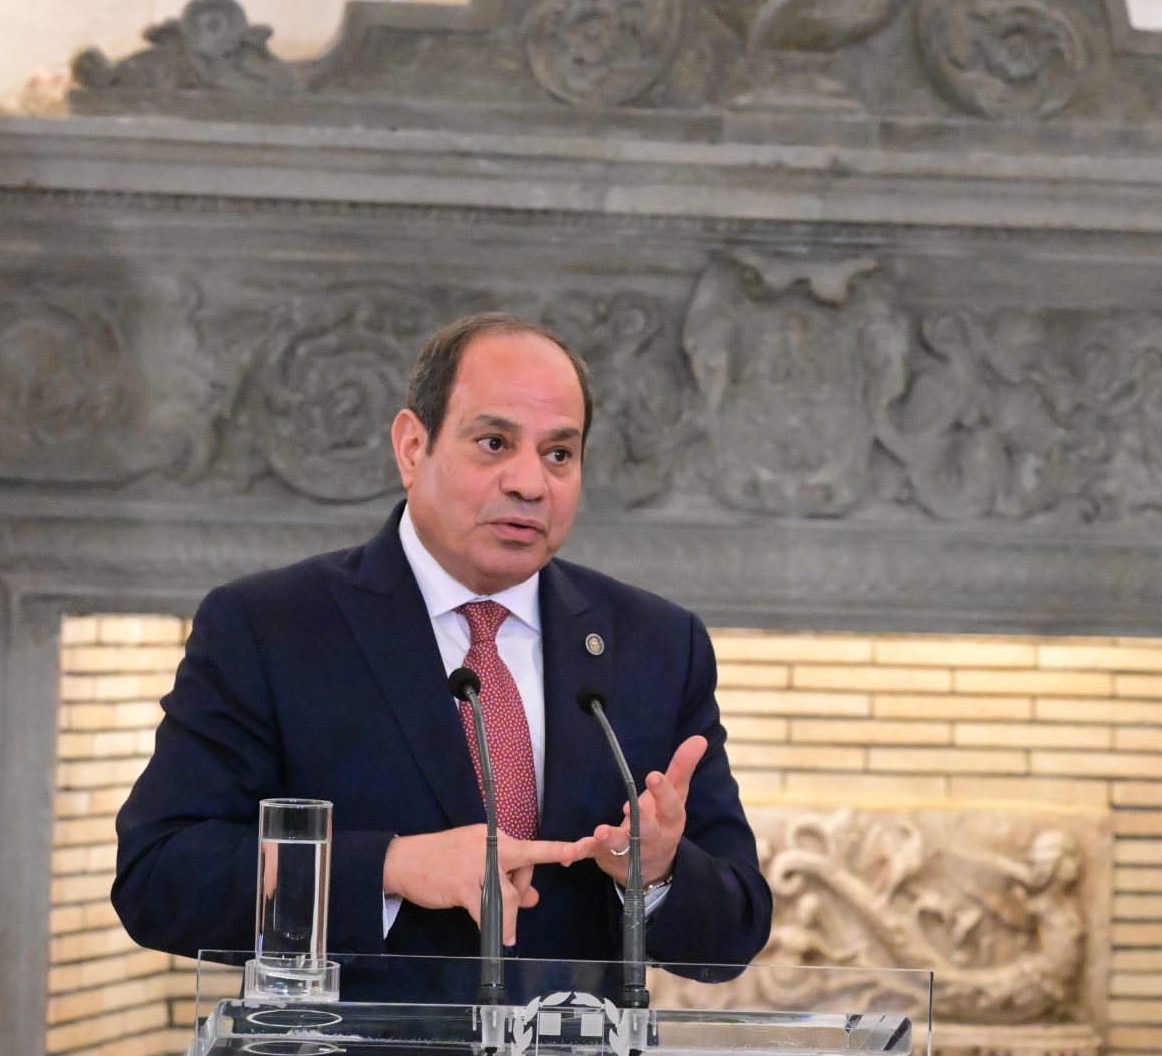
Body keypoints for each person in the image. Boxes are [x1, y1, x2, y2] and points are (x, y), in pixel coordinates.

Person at [114, 313, 771, 977]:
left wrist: (656, 871)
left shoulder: (656, 645)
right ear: (411, 446)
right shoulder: (270, 627)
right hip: (354, 1047)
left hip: (572, 1048)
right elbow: (160, 876)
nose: (530, 483)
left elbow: (736, 931)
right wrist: (392, 866)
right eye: (494, 442)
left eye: (559, 454)